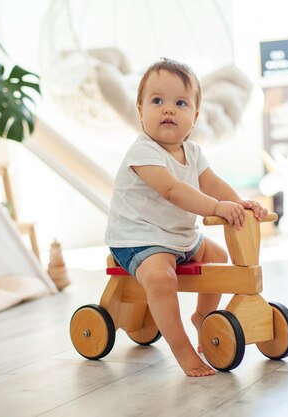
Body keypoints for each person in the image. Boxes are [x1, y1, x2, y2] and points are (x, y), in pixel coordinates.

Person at [105, 58, 268, 377]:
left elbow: (214, 184)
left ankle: (204, 317)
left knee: (219, 259)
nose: (168, 109)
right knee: (161, 279)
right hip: (138, 240)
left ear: (194, 118)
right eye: (157, 101)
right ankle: (182, 351)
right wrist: (215, 208)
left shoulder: (193, 153)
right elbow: (172, 190)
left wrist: (239, 203)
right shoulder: (144, 152)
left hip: (179, 239)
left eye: (180, 103)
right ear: (140, 111)